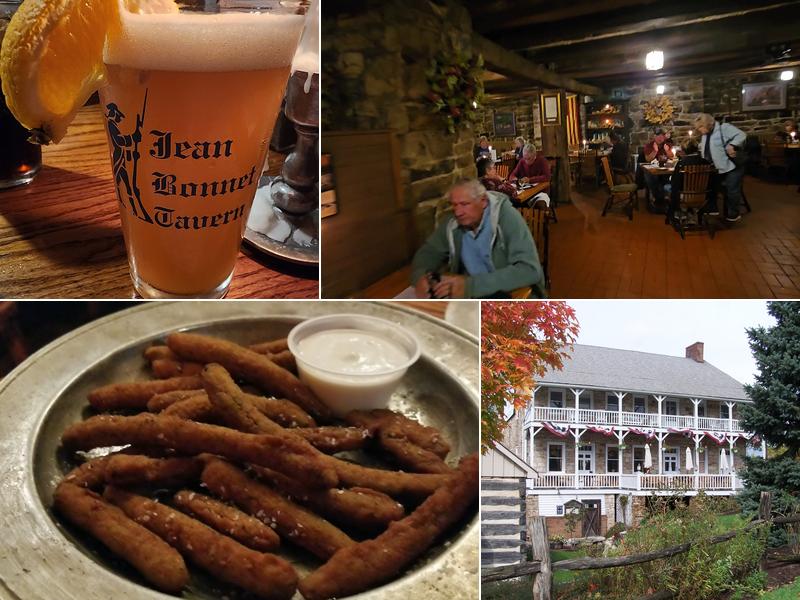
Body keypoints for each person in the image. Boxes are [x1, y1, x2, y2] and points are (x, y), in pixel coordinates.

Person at [410, 179, 544, 299]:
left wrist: (470, 286)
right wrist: (420, 277)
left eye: (464, 204)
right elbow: (428, 252)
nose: (458, 212)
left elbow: (530, 270)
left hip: (512, 293)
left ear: (483, 201)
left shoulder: (507, 218)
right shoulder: (453, 223)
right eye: (454, 205)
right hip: (474, 295)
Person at [695, 113, 746, 222]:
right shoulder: (705, 134)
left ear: (709, 124)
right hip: (716, 168)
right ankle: (713, 209)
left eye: (701, 127)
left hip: (731, 166)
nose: (699, 130)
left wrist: (732, 145)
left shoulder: (724, 128)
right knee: (711, 188)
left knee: (732, 190)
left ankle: (733, 213)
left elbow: (741, 135)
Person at [664, 139, 712, 225]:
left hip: (684, 194)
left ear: (684, 150)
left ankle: (680, 212)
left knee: (666, 187)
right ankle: (690, 212)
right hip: (702, 195)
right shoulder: (706, 162)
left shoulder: (682, 163)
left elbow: (675, 182)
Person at [641, 127, 674, 209]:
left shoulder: (667, 145)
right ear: (654, 137)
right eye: (657, 136)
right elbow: (648, 159)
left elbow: (672, 157)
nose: (659, 138)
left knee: (669, 178)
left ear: (664, 137)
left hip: (665, 170)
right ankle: (660, 198)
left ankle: (661, 198)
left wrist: (667, 151)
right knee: (651, 177)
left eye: (661, 136)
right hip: (652, 170)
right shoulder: (649, 145)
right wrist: (655, 151)